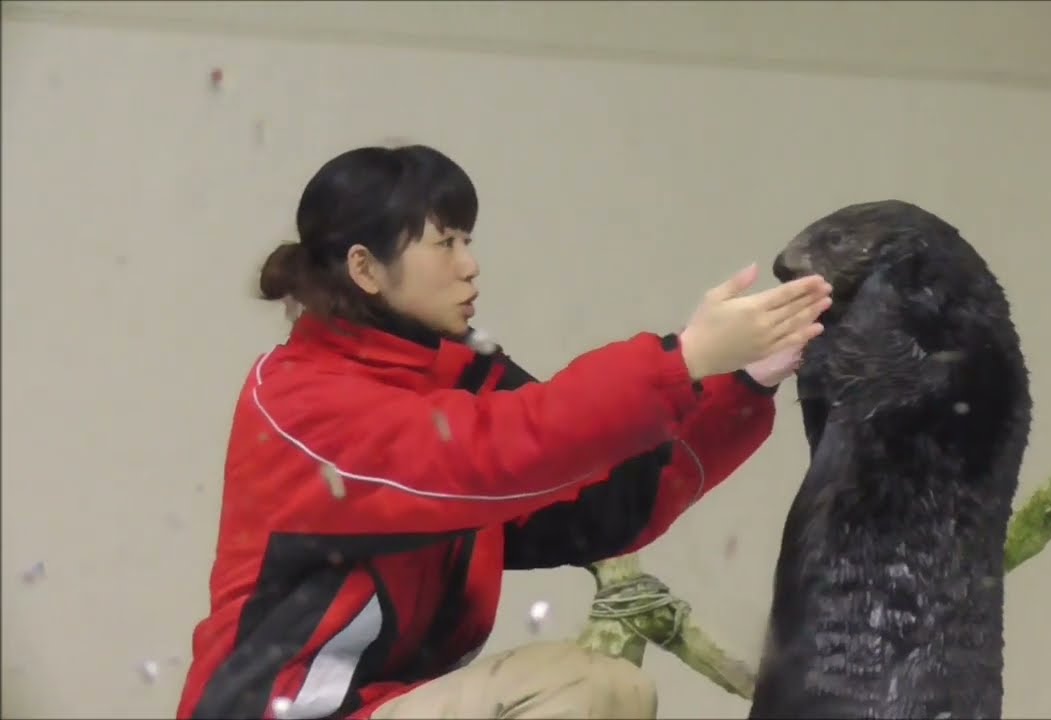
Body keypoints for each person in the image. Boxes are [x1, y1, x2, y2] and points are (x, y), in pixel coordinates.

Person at [176, 144, 832, 720]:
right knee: (578, 688)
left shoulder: (459, 376)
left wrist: (745, 383)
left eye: (469, 240)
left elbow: (605, 501)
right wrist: (684, 357)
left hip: (387, 706)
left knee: (607, 691)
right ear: (365, 268)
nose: (470, 265)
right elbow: (502, 452)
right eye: (446, 243)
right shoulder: (301, 401)